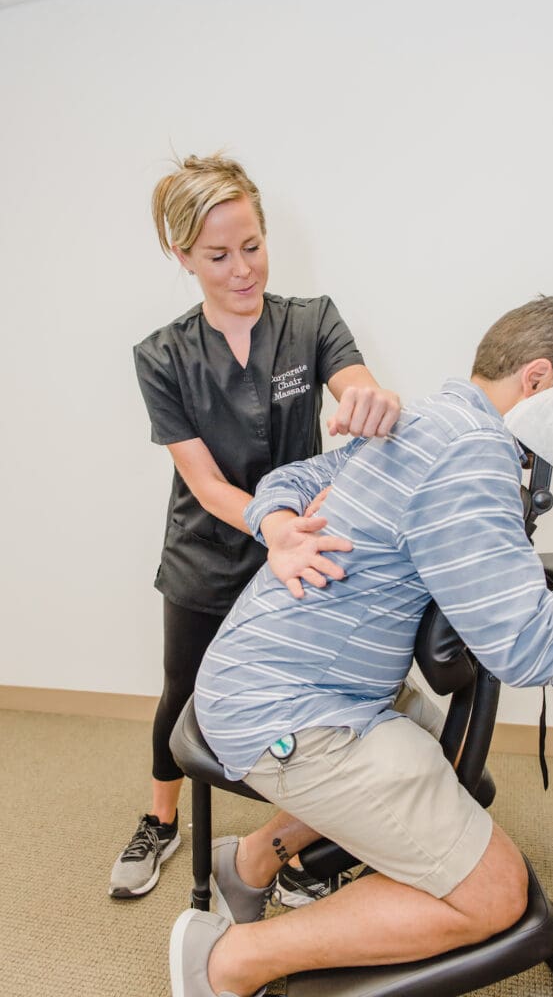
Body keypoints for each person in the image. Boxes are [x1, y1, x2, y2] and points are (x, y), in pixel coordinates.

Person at [169, 296, 553, 997]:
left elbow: (289, 481)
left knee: (448, 765)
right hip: (289, 712)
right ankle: (226, 963)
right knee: (496, 893)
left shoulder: (426, 421)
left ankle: (252, 863)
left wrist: (277, 517)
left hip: (265, 675)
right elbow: (526, 646)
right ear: (536, 380)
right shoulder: (473, 452)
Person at [109, 152, 401, 901]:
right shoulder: (162, 357)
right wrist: (267, 523)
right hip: (208, 550)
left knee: (310, 701)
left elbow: (357, 382)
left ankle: (291, 847)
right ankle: (160, 819)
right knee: (184, 693)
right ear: (181, 256)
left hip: (299, 549)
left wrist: (372, 400)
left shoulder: (310, 323)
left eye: (252, 246)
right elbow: (204, 482)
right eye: (217, 255)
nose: (243, 269)